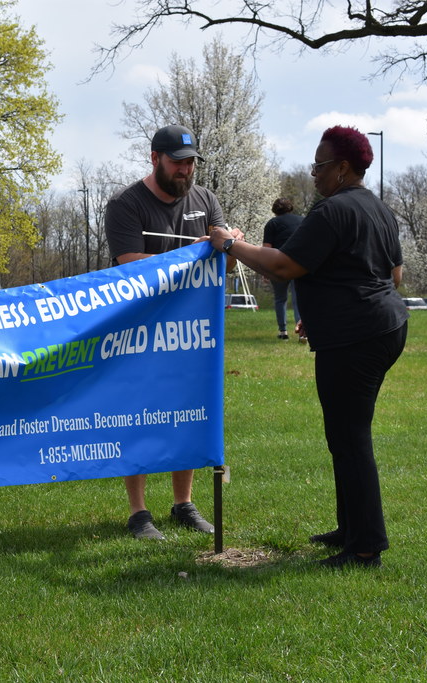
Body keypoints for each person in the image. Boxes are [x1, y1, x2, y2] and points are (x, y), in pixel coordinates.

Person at [209, 126, 408, 568]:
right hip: (385, 327)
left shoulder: (331, 211)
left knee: (350, 437)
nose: (313, 174)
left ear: (342, 168)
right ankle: (350, 527)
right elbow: (392, 277)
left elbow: (281, 266)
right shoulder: (379, 209)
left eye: (319, 166)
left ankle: (365, 547)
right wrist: (322, 310)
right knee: (344, 433)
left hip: (355, 337)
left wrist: (230, 244)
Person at [104, 124, 241, 540]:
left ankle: (184, 503)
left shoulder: (206, 200)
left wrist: (230, 245)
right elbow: (129, 262)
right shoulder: (125, 204)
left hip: (193, 332)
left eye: (191, 163)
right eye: (178, 163)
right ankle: (138, 513)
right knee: (139, 415)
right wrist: (197, 251)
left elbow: (227, 262)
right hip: (140, 331)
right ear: (155, 158)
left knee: (188, 413)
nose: (186, 171)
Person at [262, 198, 303, 340]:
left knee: (280, 299)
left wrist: (265, 270)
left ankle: (283, 331)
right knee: (299, 299)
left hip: (278, 265)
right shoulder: (302, 221)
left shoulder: (272, 224)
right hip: (299, 265)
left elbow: (267, 249)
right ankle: (301, 331)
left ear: (275, 210)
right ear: (290, 207)